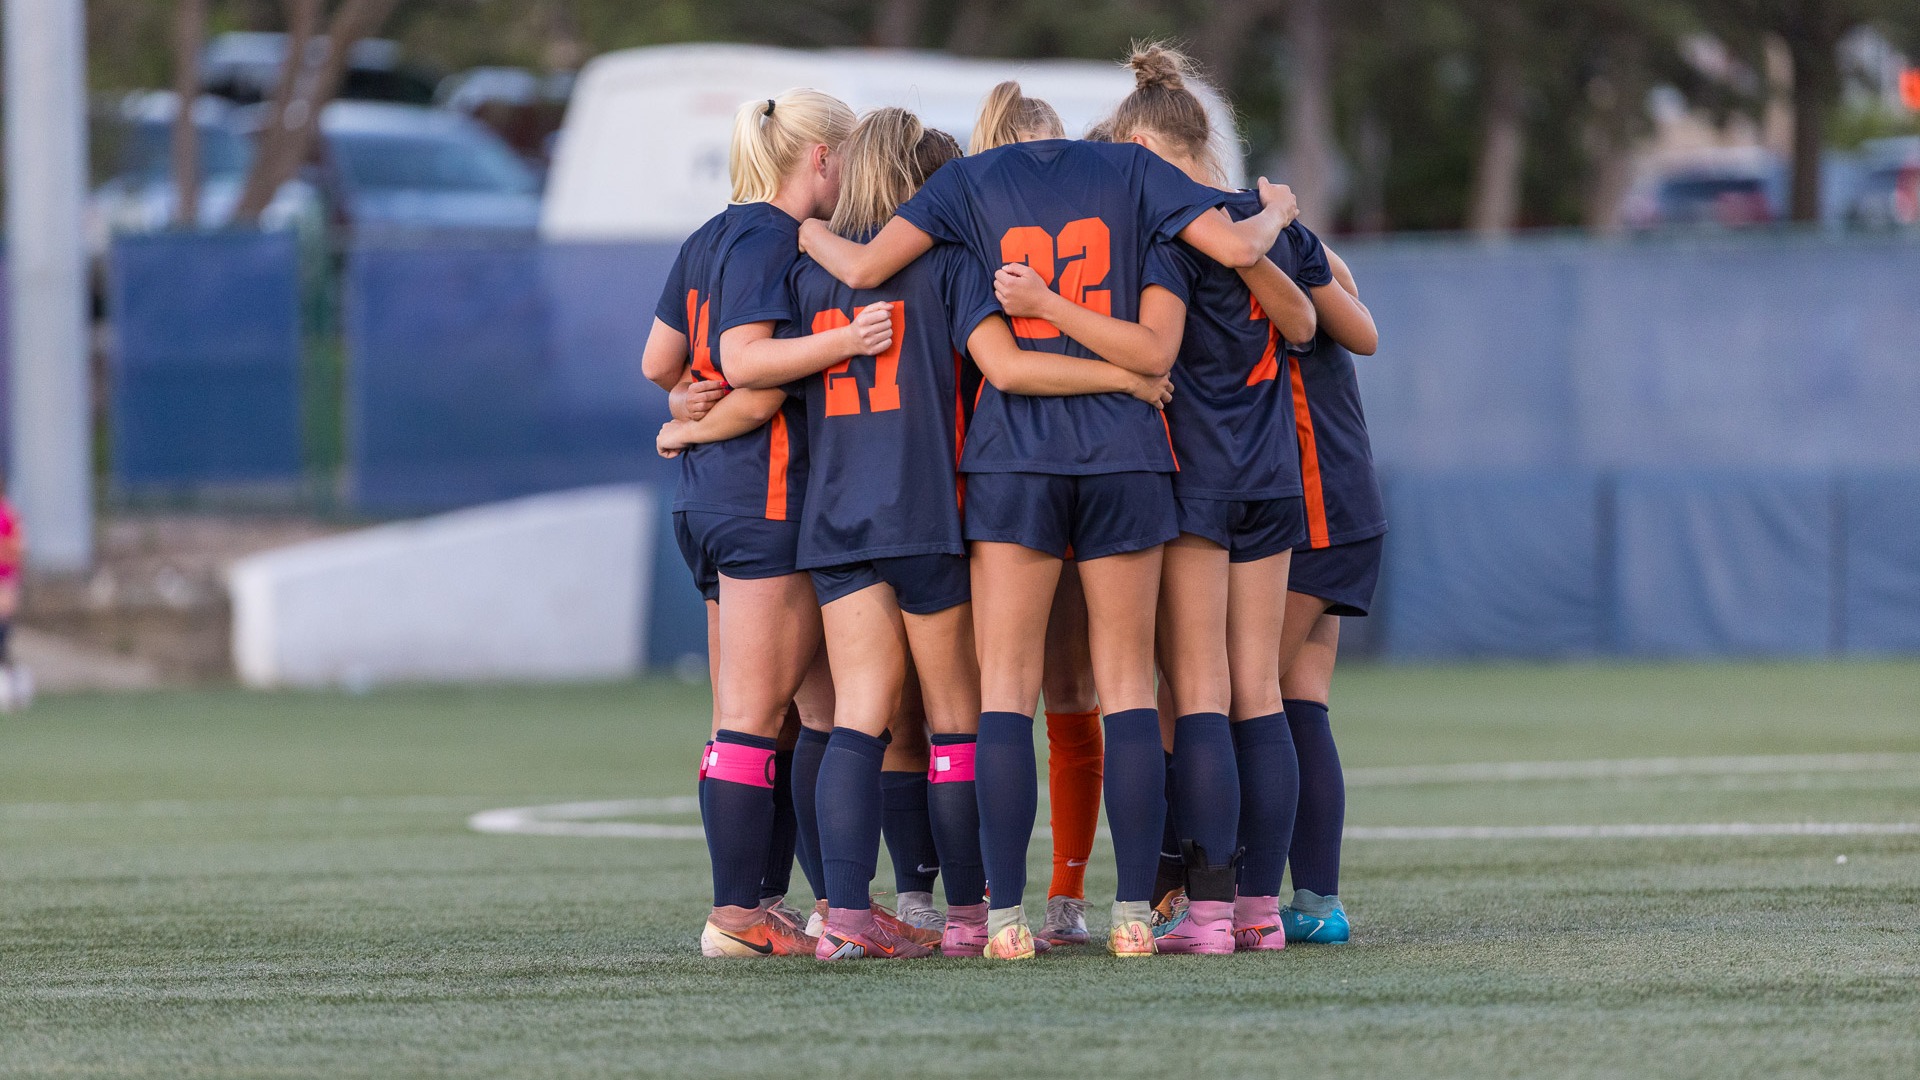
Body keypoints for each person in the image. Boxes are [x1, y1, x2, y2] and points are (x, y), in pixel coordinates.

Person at [802, 81, 1298, 959]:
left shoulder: (967, 184)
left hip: (1012, 461)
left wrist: (798, 228)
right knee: (1129, 688)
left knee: (1004, 692)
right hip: (1128, 457)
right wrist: (1272, 218)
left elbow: (867, 269)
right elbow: (1213, 269)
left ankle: (1001, 921)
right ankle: (1136, 913)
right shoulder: (1134, 172)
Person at [691, 106, 1173, 960]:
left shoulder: (806, 273)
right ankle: (962, 915)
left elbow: (754, 380)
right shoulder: (949, 267)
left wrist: (683, 418)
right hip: (929, 516)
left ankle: (844, 917)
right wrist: (1129, 379)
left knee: (860, 717)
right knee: (958, 722)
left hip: (836, 521)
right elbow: (1005, 368)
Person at [1088, 43, 1326, 954]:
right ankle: (1262, 911)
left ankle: (1214, 913)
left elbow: (1149, 347)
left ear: (1149, 142)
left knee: (1198, 692)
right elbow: (1302, 323)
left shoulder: (1162, 231)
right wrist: (1266, 223)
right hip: (1271, 479)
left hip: (1195, 482)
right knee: (1256, 689)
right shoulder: (1266, 219)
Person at [640, 87, 861, 958]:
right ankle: (739, 916)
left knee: (801, 707)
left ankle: (782, 905)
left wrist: (678, 410)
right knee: (759, 713)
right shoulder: (778, 238)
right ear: (821, 158)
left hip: (705, 501)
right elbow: (752, 369)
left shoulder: (708, 234)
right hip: (765, 498)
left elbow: (660, 360)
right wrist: (847, 343)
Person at [1275, 242, 1381, 945]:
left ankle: (1230, 903)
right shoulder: (1298, 243)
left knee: (1233, 697)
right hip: (1343, 502)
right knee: (1299, 700)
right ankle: (1316, 905)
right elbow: (1362, 322)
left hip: (1312, 511)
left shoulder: (1251, 249)